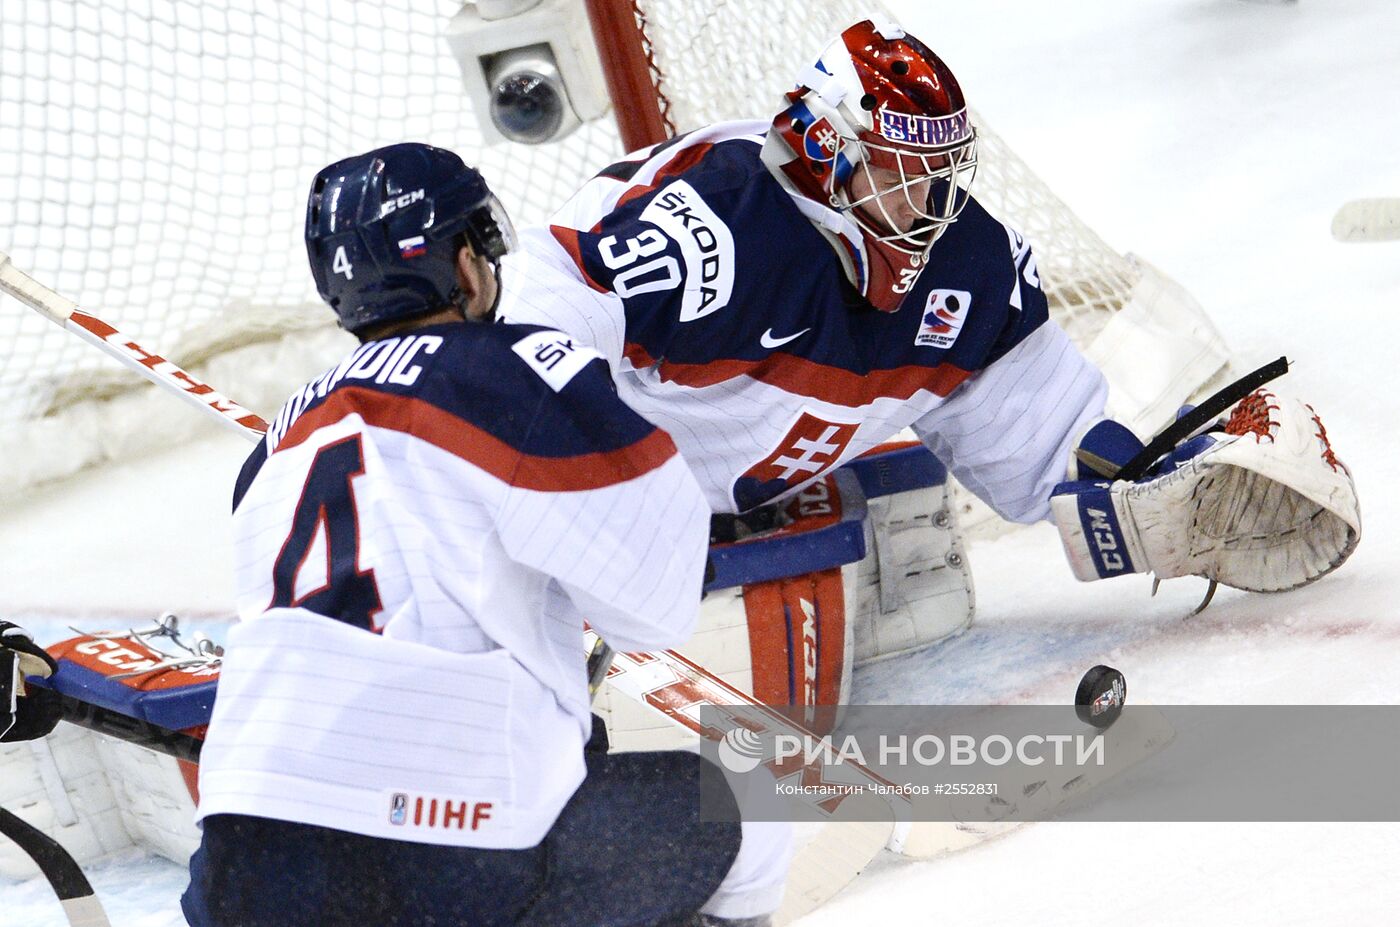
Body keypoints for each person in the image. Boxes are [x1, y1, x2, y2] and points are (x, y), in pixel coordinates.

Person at [495, 19, 1357, 609]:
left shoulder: (968, 271)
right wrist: (587, 502)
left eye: (942, 175)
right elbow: (534, 318)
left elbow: (1046, 453)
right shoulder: (710, 226)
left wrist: (1161, 499)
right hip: (595, 516)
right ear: (829, 148)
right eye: (907, 173)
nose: (933, 202)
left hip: (733, 520)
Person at [181, 143, 789, 927]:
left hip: (241, 866)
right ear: (464, 267)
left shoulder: (268, 452)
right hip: (443, 859)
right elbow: (656, 603)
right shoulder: (516, 370)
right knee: (757, 807)